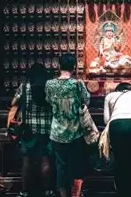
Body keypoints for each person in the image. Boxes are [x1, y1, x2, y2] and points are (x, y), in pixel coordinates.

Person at [45, 53, 90, 197]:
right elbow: (87, 101)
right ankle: (76, 194)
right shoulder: (78, 84)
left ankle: (64, 194)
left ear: (59, 66)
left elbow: (49, 101)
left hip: (57, 132)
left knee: (61, 166)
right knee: (76, 165)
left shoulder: (50, 84)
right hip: (75, 131)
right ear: (74, 67)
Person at [11, 63, 55, 197]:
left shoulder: (24, 87)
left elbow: (14, 103)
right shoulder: (49, 89)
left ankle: (24, 191)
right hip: (47, 129)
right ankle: (48, 190)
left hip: (28, 129)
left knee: (27, 161)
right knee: (45, 160)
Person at [104, 82, 131, 197]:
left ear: (117, 90)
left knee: (120, 160)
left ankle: (122, 191)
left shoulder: (110, 96)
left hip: (117, 126)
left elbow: (106, 119)